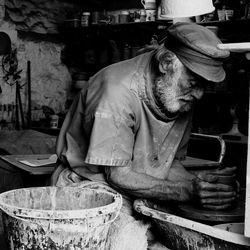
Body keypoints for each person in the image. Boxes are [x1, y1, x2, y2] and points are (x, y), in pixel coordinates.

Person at [51, 22, 237, 249]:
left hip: (140, 187)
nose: (198, 94)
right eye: (193, 83)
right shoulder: (116, 91)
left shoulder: (179, 94)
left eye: (204, 86)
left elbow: (171, 165)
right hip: (89, 185)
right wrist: (186, 190)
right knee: (129, 242)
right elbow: (117, 175)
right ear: (166, 64)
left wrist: (203, 185)